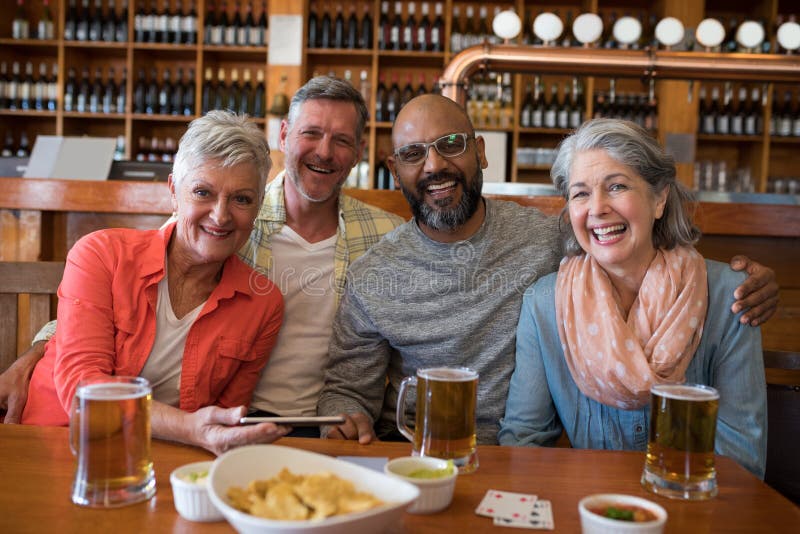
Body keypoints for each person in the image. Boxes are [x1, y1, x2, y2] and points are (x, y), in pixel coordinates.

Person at [318, 94, 777, 446]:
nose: (435, 164)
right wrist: (343, 421)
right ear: (394, 169)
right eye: (414, 154)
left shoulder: (547, 241)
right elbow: (347, 391)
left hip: (524, 460)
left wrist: (747, 283)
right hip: (419, 455)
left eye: (450, 145)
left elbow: (630, 242)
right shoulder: (373, 274)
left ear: (480, 151)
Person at [1, 77, 404, 433]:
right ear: (284, 136)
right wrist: (37, 354)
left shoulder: (382, 238)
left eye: (342, 140)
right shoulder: (224, 223)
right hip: (102, 433)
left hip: (299, 422)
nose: (324, 152)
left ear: (359, 150)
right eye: (311, 133)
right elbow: (116, 291)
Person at [498, 119, 766, 477]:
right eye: (580, 193)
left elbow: (742, 462)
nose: (597, 208)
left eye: (617, 186)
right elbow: (523, 443)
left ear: (659, 199)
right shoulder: (545, 302)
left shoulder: (729, 294)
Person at [20, 110, 289, 454]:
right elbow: (83, 393)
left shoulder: (263, 305)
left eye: (241, 199)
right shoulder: (102, 254)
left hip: (163, 456)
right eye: (203, 192)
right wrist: (190, 428)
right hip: (54, 443)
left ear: (257, 208)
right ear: (174, 192)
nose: (221, 216)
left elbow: (222, 425)